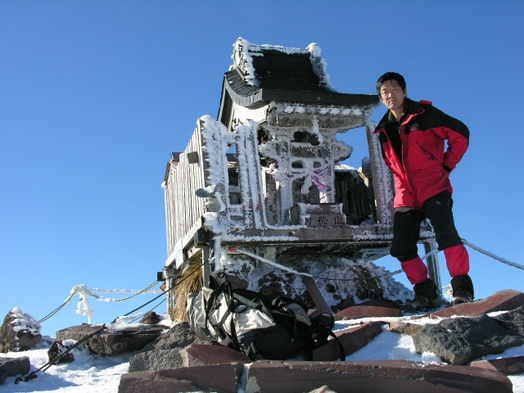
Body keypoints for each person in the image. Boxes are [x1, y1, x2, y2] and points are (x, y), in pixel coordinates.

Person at [374, 72, 474, 308]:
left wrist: (447, 165)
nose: (390, 94)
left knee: (447, 237)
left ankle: (462, 291)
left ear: (405, 91)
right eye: (385, 91)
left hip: (433, 187)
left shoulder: (425, 115)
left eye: (394, 88)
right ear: (381, 98)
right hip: (406, 195)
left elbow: (461, 134)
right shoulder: (383, 129)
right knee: (401, 248)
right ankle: (426, 294)